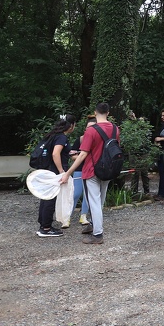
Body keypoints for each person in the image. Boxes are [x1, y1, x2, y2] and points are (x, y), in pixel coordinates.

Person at [59, 102, 119, 245]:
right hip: (108, 169)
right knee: (100, 200)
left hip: (92, 170)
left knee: (94, 202)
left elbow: (83, 154)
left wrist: (68, 172)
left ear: (95, 112)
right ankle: (93, 224)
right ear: (108, 113)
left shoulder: (91, 131)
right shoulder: (116, 129)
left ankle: (97, 234)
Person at [36, 116, 72, 237]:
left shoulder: (53, 135)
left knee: (46, 196)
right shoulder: (62, 137)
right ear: (71, 125)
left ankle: (43, 225)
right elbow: (55, 153)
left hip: (48, 169)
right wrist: (62, 171)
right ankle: (46, 228)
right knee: (51, 198)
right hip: (55, 171)